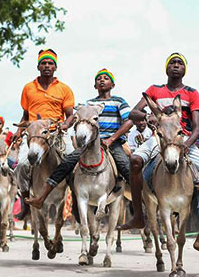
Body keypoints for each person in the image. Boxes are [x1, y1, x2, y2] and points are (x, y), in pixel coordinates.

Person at [117, 52, 199, 259]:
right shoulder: (154, 90)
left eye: (180, 63)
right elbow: (133, 113)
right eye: (172, 63)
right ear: (166, 68)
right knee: (134, 160)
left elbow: (196, 127)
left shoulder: (191, 93)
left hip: (182, 140)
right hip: (158, 139)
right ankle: (139, 216)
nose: (176, 66)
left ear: (184, 69)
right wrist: (148, 115)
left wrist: (186, 144)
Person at [26, 68, 133, 209]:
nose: (102, 80)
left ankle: (139, 201)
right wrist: (65, 125)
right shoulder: (87, 104)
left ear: (112, 85)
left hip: (113, 143)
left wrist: (111, 139)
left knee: (125, 166)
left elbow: (129, 121)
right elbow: (76, 118)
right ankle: (42, 198)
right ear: (95, 86)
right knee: (65, 164)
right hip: (90, 145)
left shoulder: (119, 101)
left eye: (106, 78)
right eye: (98, 79)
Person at [13, 49, 75, 220]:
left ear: (55, 67)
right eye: (43, 63)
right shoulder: (28, 88)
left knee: (73, 163)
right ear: (38, 66)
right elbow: (26, 115)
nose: (47, 66)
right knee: (21, 166)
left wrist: (64, 126)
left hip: (57, 133)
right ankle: (26, 204)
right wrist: (18, 131)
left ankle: (75, 204)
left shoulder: (64, 89)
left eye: (50, 63)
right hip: (34, 134)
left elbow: (70, 115)